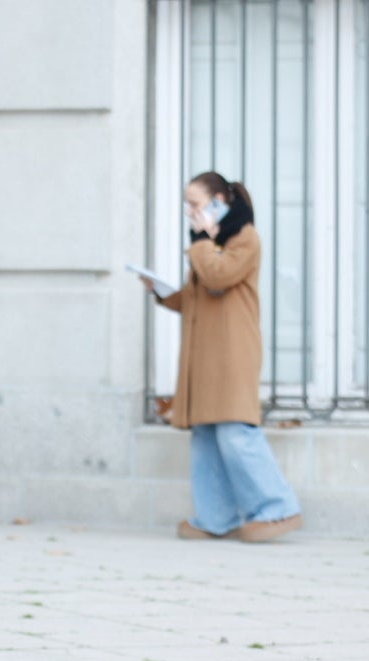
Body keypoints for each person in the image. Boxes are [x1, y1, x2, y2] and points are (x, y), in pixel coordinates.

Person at [140, 171, 303, 543]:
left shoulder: (243, 239)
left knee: (235, 432)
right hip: (206, 355)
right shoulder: (210, 245)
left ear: (219, 203)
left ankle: (279, 508)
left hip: (232, 353)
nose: (191, 213)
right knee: (207, 435)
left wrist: (201, 242)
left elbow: (218, 277)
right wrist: (163, 293)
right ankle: (215, 517)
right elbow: (197, 297)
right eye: (189, 206)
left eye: (196, 205)